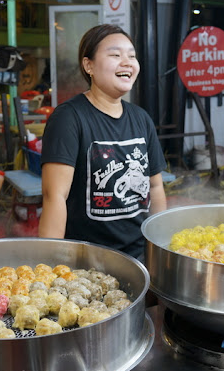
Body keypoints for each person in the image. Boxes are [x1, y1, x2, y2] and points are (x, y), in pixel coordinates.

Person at [38, 24, 167, 260]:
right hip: (87, 260)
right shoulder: (69, 117)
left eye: (132, 55)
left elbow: (156, 187)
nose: (127, 62)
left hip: (141, 256)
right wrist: (50, 266)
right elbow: (54, 196)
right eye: (115, 55)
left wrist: (161, 246)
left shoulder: (141, 119)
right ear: (89, 66)